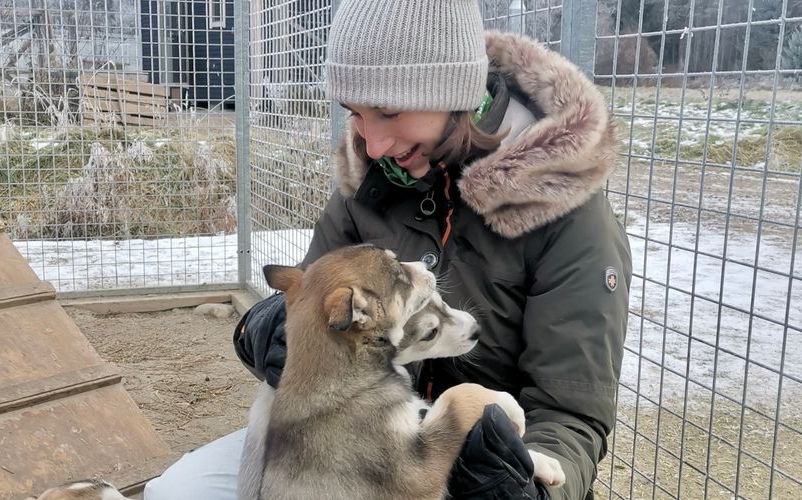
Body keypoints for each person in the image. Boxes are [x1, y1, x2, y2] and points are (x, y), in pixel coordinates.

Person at [143, 0, 631, 498]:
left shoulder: (568, 216)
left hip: (472, 463)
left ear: (454, 94)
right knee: (177, 490)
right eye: (355, 113)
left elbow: (572, 411)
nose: (371, 144)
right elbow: (313, 301)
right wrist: (271, 327)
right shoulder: (368, 185)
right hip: (352, 440)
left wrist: (527, 485)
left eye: (390, 111)